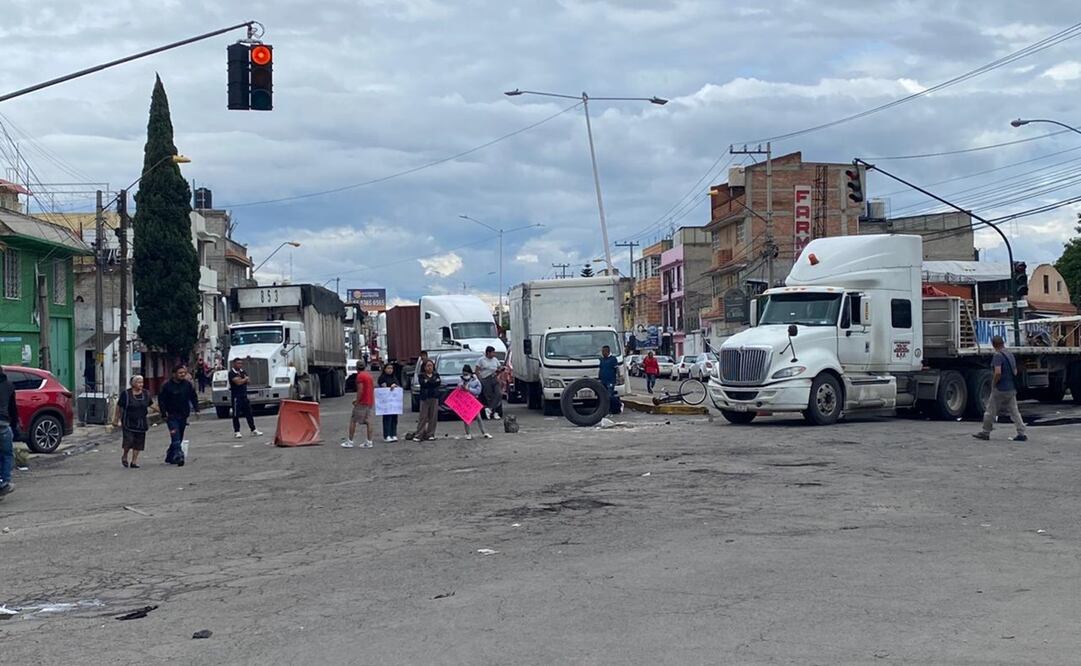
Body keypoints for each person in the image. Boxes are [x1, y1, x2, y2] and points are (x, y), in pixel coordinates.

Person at [973, 335, 1027, 442]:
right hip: (1011, 388)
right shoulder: (1010, 355)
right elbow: (1015, 371)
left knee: (990, 411)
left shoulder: (997, 356)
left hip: (1000, 389)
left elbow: (998, 372)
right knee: (1014, 412)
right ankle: (1021, 433)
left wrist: (993, 384)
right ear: (1003, 343)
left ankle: (985, 432)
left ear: (994, 345)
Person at [159, 364, 200, 466]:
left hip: (183, 414)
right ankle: (178, 455)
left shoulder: (187, 385)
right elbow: (161, 401)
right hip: (171, 415)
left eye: (184, 373)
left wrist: (196, 409)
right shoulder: (166, 386)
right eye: (180, 373)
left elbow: (193, 397)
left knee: (179, 436)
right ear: (174, 374)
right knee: (175, 436)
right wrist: (164, 413)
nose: (182, 375)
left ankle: (170, 455)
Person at [114, 375, 152, 469]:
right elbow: (119, 406)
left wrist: (163, 412)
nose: (141, 384)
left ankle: (134, 462)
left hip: (141, 422)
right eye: (138, 382)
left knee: (139, 442)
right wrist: (116, 419)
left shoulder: (146, 394)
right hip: (128, 422)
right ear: (133, 384)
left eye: (142, 382)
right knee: (129, 441)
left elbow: (151, 404)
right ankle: (125, 455)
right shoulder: (126, 394)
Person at [228, 358, 262, 439]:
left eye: (241, 363)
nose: (240, 365)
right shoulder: (232, 373)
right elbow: (238, 382)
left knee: (249, 413)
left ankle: (253, 429)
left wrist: (244, 379)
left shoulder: (242, 371)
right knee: (236, 414)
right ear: (234, 364)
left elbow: (248, 381)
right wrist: (244, 379)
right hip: (236, 396)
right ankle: (237, 431)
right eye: (238, 363)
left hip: (244, 395)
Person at [343, 362, 375, 449]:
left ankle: (350, 441)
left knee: (353, 420)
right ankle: (369, 441)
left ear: (356, 368)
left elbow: (360, 390)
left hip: (362, 402)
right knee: (369, 421)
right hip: (369, 401)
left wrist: (357, 401)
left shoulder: (360, 377)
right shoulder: (369, 376)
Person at [0, 368, 19, 499]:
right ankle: (5, 482)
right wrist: (15, 426)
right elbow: (13, 409)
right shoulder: (9, 386)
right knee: (7, 454)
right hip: (3, 424)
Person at [458, 364, 491, 440]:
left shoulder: (475, 381)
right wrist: (462, 386)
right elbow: (458, 388)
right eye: (464, 374)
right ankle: (468, 433)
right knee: (466, 418)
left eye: (466, 374)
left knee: (478, 417)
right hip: (465, 401)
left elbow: (478, 391)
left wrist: (469, 389)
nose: (465, 375)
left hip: (473, 401)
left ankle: (484, 432)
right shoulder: (461, 380)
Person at [414, 359, 441, 441]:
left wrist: (429, 382)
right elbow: (423, 383)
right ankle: (419, 434)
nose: (429, 367)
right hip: (425, 398)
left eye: (431, 366)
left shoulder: (436, 375)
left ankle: (430, 434)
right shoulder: (421, 375)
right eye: (428, 366)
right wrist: (431, 382)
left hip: (434, 397)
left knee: (433, 416)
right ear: (424, 367)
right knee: (423, 416)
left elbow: (437, 383)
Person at [475, 346, 502, 420]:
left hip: (494, 378)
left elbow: (499, 367)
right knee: (489, 396)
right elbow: (477, 370)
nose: (494, 354)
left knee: (499, 394)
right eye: (492, 352)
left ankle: (490, 409)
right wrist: (480, 379)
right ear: (488, 353)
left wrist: (500, 371)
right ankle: (494, 413)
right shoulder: (481, 360)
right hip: (486, 379)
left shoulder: (495, 360)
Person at [377, 362, 400, 442]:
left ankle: (393, 434)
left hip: (394, 402)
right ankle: (387, 435)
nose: (390, 370)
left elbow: (398, 386)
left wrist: (396, 386)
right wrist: (389, 387)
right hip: (386, 402)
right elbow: (382, 388)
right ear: (385, 369)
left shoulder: (394, 377)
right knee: (387, 418)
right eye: (388, 368)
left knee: (394, 418)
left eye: (391, 368)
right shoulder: (382, 378)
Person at [598, 345, 622, 414]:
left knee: (610, 395)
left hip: (610, 380)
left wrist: (618, 378)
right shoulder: (602, 360)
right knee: (604, 396)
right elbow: (601, 369)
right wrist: (599, 377)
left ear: (607, 351)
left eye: (603, 351)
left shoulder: (613, 359)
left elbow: (617, 369)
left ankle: (618, 406)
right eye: (602, 351)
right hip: (603, 381)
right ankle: (607, 409)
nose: (602, 353)